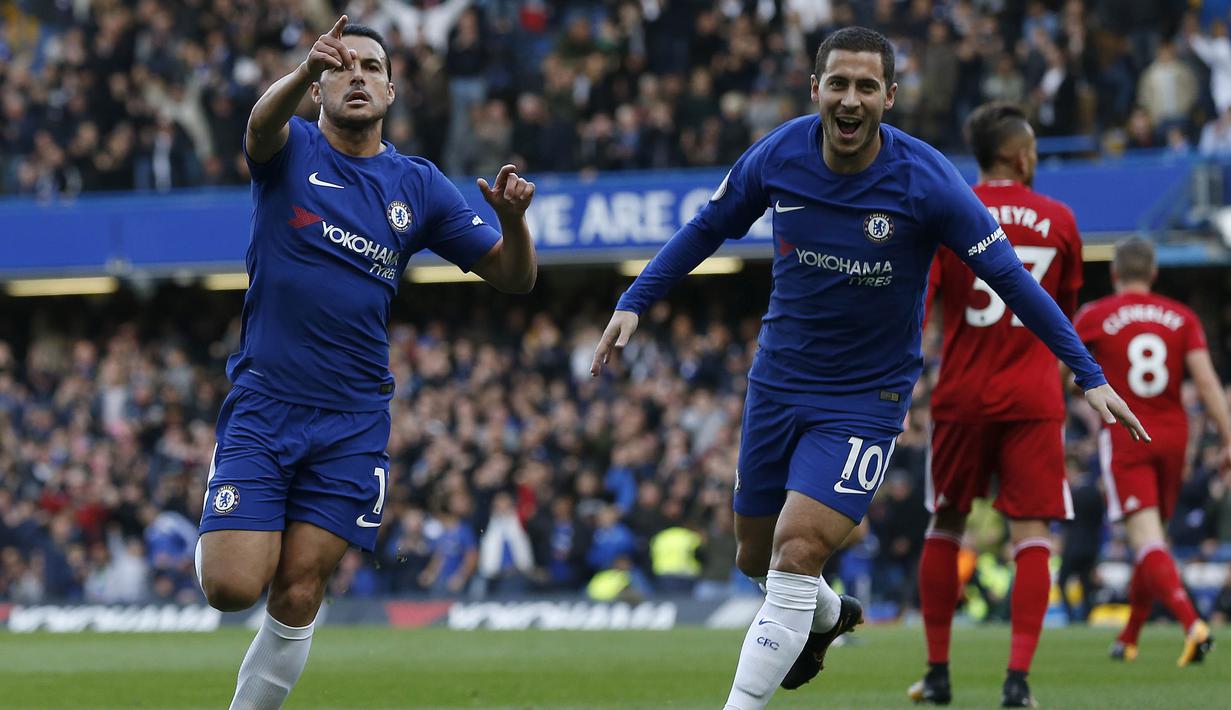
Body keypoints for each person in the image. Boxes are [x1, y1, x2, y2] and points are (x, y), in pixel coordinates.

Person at [590, 26, 1146, 710]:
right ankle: (826, 617)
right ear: (814, 89)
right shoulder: (778, 154)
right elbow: (708, 226)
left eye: (864, 87)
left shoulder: (926, 181)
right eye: (837, 84)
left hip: (864, 399)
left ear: (888, 96)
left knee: (795, 555)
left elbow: (1010, 279)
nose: (849, 99)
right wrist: (636, 298)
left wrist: (1086, 372)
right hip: (777, 382)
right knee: (753, 559)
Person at [194, 16, 536, 710]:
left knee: (297, 589)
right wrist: (297, 70)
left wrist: (513, 222)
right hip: (265, 403)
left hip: (352, 421)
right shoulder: (289, 150)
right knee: (230, 587)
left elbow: (514, 279)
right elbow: (258, 126)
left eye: (372, 66)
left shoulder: (419, 184)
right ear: (319, 88)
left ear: (391, 87)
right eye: (341, 66)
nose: (357, 76)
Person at [910, 101, 1085, 707]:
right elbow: (1062, 316)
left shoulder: (951, 211)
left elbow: (921, 307)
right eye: (1032, 147)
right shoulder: (1060, 219)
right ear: (1020, 154)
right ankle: (1017, 682)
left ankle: (937, 675)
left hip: (962, 394)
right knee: (1031, 532)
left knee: (948, 520)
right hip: (1034, 397)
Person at [1073, 237, 1230, 667]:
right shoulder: (1181, 317)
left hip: (1127, 432)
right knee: (1154, 539)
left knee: (1145, 540)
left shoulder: (1097, 315)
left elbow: (1057, 364)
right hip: (1175, 435)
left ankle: (1193, 625)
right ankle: (1129, 638)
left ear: (1116, 273)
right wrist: (1229, 437)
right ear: (1154, 273)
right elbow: (1207, 382)